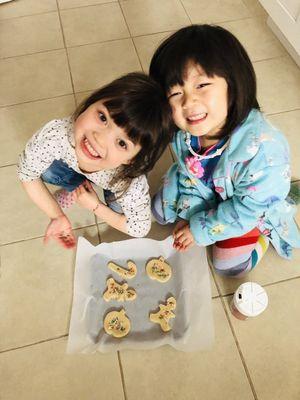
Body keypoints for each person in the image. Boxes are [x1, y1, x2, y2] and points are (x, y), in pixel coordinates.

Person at [149, 24, 300, 277]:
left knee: (229, 267)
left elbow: (246, 210)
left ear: (233, 83)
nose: (188, 102)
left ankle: (263, 234)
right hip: (201, 187)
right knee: (158, 211)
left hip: (247, 207)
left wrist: (200, 229)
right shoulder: (185, 128)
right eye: (175, 92)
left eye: (202, 85)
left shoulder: (264, 153)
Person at [18, 72, 172, 249]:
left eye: (122, 143)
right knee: (47, 170)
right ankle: (76, 189)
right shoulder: (56, 135)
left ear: (132, 160)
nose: (99, 138)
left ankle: (85, 192)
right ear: (91, 102)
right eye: (103, 117)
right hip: (75, 167)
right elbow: (27, 173)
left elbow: (139, 228)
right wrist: (57, 216)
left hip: (113, 182)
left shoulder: (131, 184)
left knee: (119, 211)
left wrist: (95, 206)